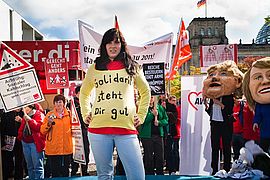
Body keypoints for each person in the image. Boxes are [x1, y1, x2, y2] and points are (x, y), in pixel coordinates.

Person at [79, 28, 151, 180]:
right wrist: (85, 113)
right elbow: (84, 93)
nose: (113, 46)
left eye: (116, 42)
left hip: (126, 129)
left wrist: (142, 115)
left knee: (137, 176)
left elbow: (146, 92)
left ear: (122, 45)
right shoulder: (94, 67)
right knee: (104, 176)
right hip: (98, 130)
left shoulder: (133, 66)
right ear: (104, 46)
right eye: (109, 42)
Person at [203, 60, 243, 175]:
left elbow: (228, 111)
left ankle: (226, 168)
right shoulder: (212, 98)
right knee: (214, 147)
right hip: (215, 123)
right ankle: (214, 169)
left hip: (226, 124)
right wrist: (207, 106)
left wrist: (219, 104)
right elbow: (210, 112)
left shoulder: (228, 97)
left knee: (226, 147)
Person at [40, 94, 73, 177]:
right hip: (53, 148)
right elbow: (42, 131)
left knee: (65, 171)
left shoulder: (70, 115)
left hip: (66, 148)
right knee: (55, 172)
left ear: (64, 103)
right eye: (56, 102)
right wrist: (49, 123)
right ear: (54, 104)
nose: (58, 104)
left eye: (60, 102)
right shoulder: (49, 115)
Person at [242, 57, 270, 154]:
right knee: (263, 151)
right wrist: (256, 122)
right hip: (265, 132)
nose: (265, 81)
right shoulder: (260, 104)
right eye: (258, 77)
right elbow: (258, 114)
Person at [139, 96, 168, 175]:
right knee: (149, 157)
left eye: (152, 97)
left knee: (160, 157)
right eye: (149, 97)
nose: (151, 99)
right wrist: (152, 115)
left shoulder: (160, 108)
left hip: (158, 136)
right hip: (147, 136)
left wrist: (159, 122)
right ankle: (149, 174)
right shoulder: (143, 108)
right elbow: (142, 121)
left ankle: (160, 174)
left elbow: (166, 120)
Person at [17, 104, 46, 179]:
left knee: (38, 167)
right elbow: (22, 127)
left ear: (30, 107)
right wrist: (20, 136)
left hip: (35, 143)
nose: (23, 109)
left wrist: (30, 120)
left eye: (25, 107)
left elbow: (39, 128)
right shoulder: (25, 115)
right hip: (25, 143)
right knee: (29, 166)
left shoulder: (39, 114)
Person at [70, 85, 90, 176]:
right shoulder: (71, 103)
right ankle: (74, 170)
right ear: (77, 93)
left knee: (86, 150)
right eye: (80, 93)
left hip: (85, 130)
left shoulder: (88, 103)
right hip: (75, 131)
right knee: (75, 150)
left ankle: (84, 170)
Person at [1, 109, 26, 180]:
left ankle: (19, 177)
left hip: (20, 139)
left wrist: (22, 121)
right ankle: (7, 175)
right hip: (8, 139)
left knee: (20, 159)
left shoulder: (23, 113)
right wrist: (3, 141)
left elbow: (28, 126)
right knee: (7, 159)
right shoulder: (6, 113)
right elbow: (2, 128)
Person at [165, 95, 179, 175]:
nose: (174, 102)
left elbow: (174, 119)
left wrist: (168, 114)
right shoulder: (163, 106)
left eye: (175, 100)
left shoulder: (174, 109)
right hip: (163, 132)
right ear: (169, 100)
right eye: (173, 100)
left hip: (171, 133)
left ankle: (172, 169)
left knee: (171, 151)